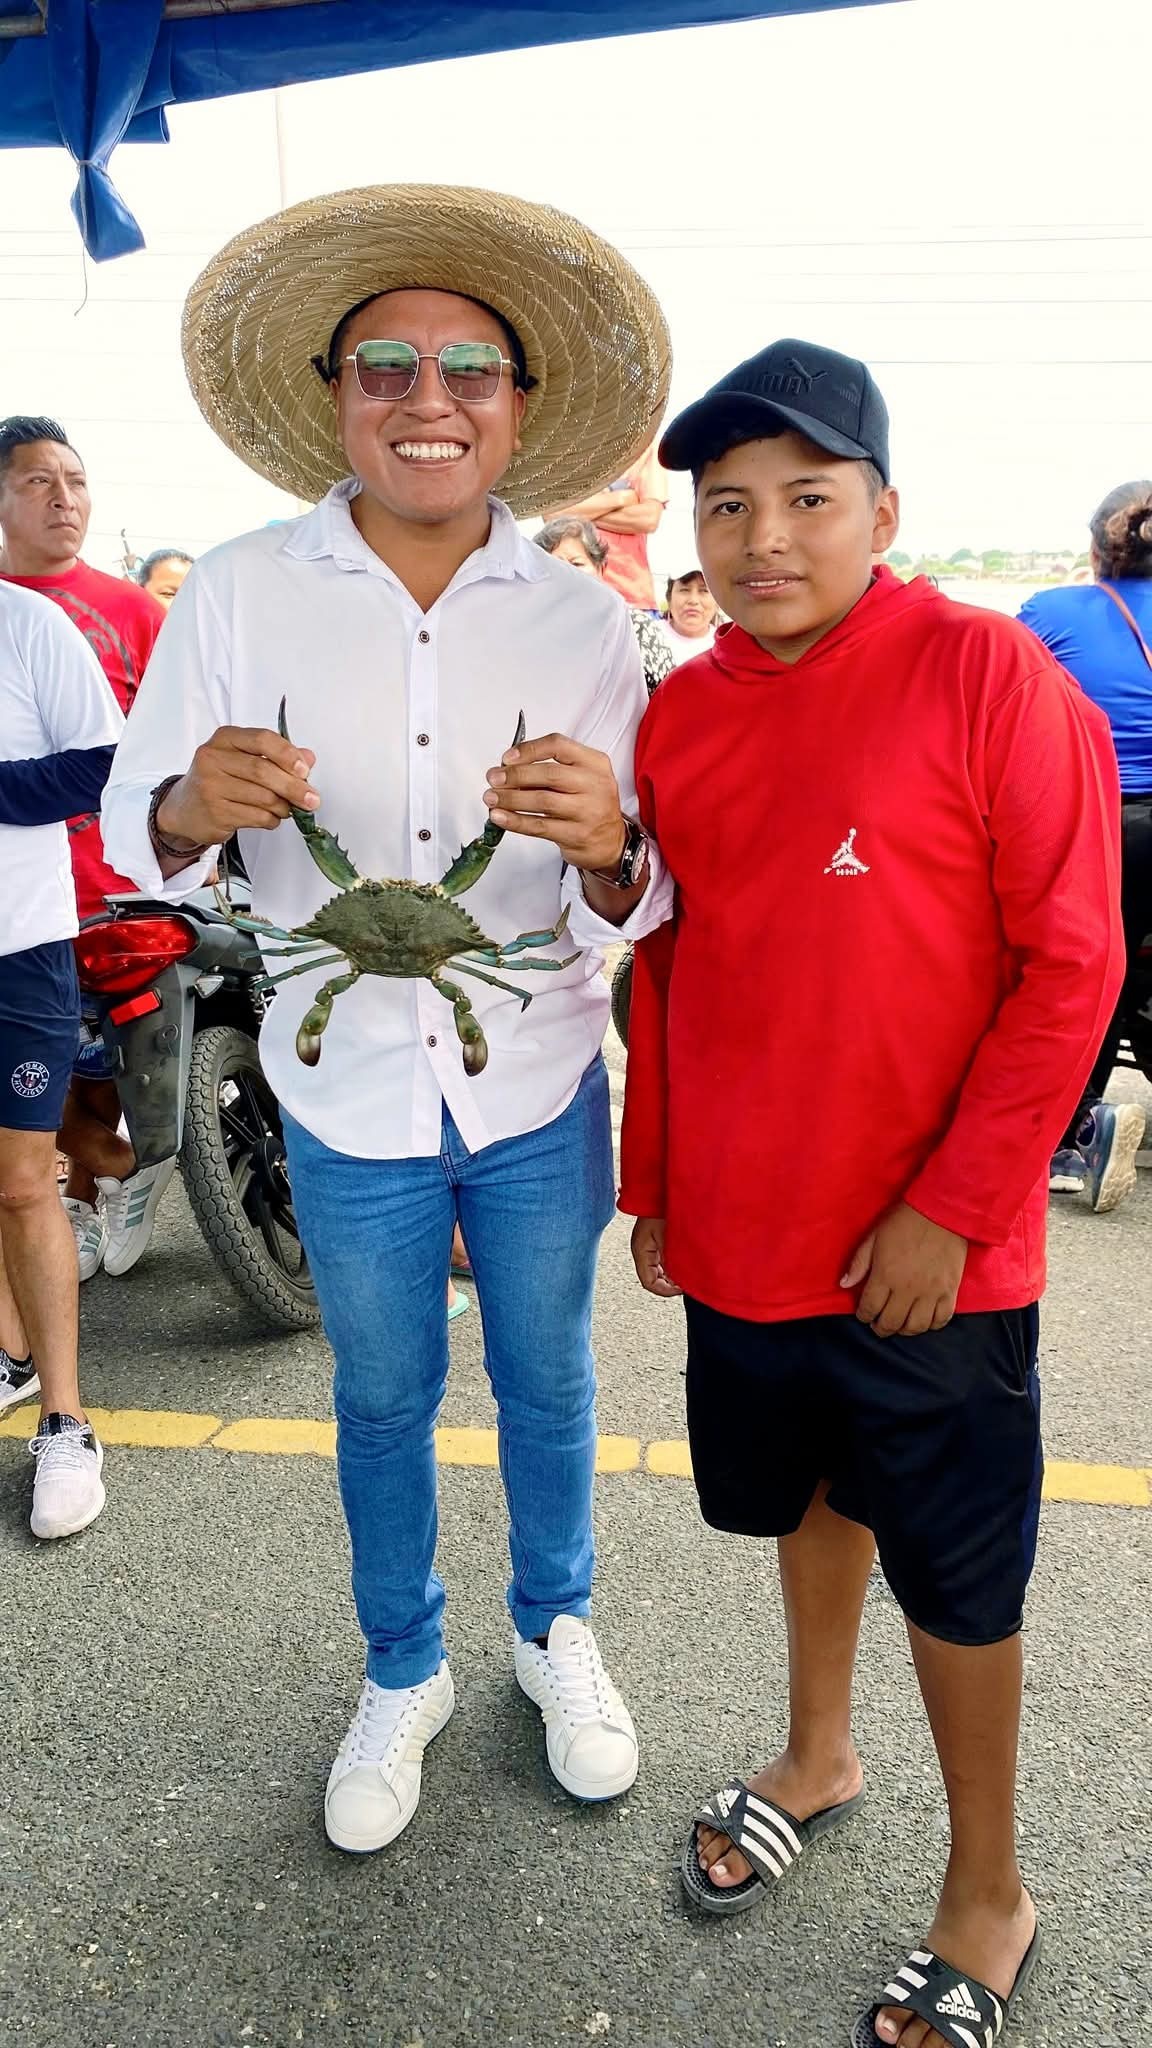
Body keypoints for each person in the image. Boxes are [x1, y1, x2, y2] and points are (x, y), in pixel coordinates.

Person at [102, 183, 674, 1852]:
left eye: (471, 367)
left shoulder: (588, 621)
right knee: (378, 1394)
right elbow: (140, 833)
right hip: (340, 1078)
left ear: (521, 407)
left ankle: (554, 1629)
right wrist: (190, 804)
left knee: (550, 1380)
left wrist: (612, 841)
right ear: (335, 393)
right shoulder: (236, 593)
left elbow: (636, 897)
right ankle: (402, 1662)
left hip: (536, 1069)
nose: (431, 397)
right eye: (388, 365)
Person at [619, 339, 1123, 2048]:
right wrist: (660, 1177)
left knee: (959, 1574)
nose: (764, 537)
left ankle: (987, 1889)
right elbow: (673, 959)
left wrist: (958, 1206)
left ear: (884, 513)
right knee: (809, 1496)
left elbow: (1074, 962)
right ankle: (817, 1751)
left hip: (932, 1253)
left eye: (807, 498)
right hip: (745, 1227)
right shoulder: (683, 710)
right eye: (727, 504)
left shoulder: (987, 673)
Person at [0, 417, 174, 1282]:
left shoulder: (135, 610)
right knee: (45, 1077)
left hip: (118, 882)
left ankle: (102, 1173)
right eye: (38, 481)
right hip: (26, 898)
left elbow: (177, 735)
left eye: (74, 481)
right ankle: (91, 1175)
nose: (64, 499)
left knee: (106, 1063)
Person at [0, 582, 123, 1535]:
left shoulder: (26, 623)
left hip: (19, 944)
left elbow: (100, 765)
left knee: (21, 1184)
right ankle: (10, 1355)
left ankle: (65, 1422)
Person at [1019, 483, 1152, 1210]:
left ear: (1097, 549)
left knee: (1086, 975)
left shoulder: (1056, 612)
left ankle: (1074, 1136)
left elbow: (993, 698)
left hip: (1107, 822)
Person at [535, 517, 673, 693]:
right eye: (557, 564)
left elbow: (667, 695)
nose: (568, 573)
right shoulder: (533, 629)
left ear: (600, 569)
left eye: (577, 564)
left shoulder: (636, 627)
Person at [547, 438, 670, 611]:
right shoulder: (570, 449)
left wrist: (578, 510)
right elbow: (550, 513)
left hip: (632, 598)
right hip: (571, 593)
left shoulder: (646, 449)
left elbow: (649, 518)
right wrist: (622, 498)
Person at [662, 567, 720, 663]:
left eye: (704, 591)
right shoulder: (649, 637)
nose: (693, 600)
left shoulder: (726, 647)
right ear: (669, 598)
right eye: (684, 590)